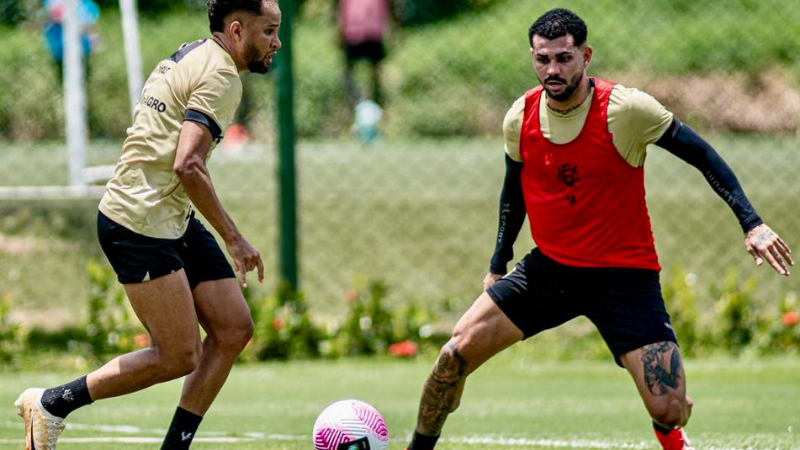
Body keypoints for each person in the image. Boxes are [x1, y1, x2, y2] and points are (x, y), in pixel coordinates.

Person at [404, 8, 793, 450]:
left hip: (624, 277)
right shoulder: (521, 116)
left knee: (671, 407)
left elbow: (701, 154)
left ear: (586, 56)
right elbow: (513, 192)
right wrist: (498, 263)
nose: (552, 69)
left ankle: (671, 435)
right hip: (548, 272)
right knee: (452, 357)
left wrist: (752, 223)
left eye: (564, 58)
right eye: (542, 59)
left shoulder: (626, 110)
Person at [15, 1, 282, 449]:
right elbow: (188, 165)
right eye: (269, 31)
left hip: (168, 215)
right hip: (138, 223)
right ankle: (52, 403)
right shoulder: (220, 76)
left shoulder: (196, 52)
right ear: (237, 31)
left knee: (234, 327)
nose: (276, 42)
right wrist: (234, 239)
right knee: (178, 354)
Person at [336, 0, 391, 108]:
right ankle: (359, 102)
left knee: (371, 71)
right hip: (362, 30)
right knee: (367, 71)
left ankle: (369, 102)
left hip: (363, 30)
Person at [42, 0, 101, 84]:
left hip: (81, 48)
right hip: (61, 48)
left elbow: (91, 14)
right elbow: (54, 12)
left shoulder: (84, 5)